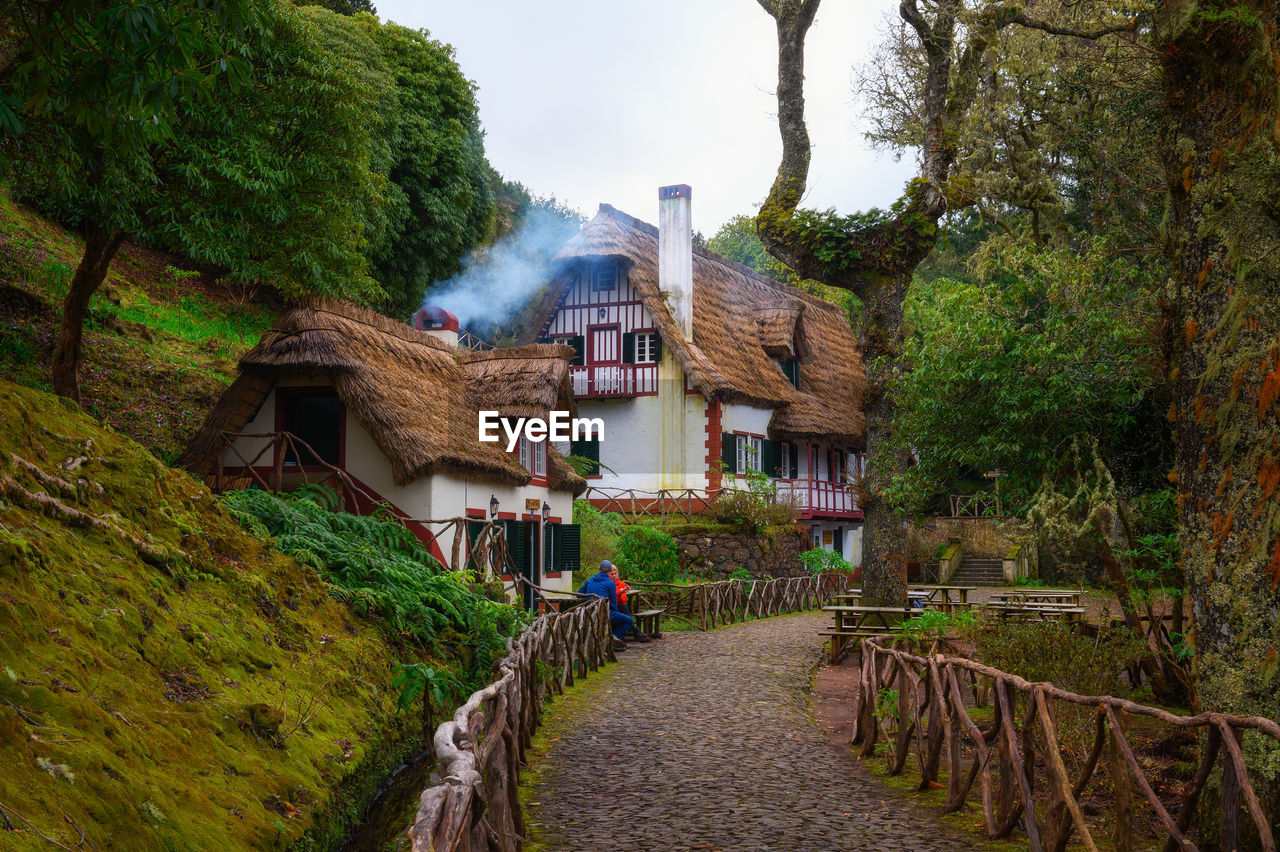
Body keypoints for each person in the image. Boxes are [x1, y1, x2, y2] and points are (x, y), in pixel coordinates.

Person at [577, 560, 643, 650]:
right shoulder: (610, 583)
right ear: (608, 572)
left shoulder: (589, 581)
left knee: (620, 615)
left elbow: (578, 594)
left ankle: (612, 637)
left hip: (590, 613)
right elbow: (613, 602)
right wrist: (614, 612)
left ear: (599, 569)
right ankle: (614, 637)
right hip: (605, 612)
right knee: (629, 621)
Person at [609, 564, 654, 642]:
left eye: (615, 573)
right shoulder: (609, 584)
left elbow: (623, 600)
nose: (614, 576)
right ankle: (636, 632)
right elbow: (613, 596)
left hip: (619, 605)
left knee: (624, 609)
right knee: (624, 611)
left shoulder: (621, 584)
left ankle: (634, 632)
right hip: (611, 606)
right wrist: (620, 592)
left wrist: (620, 593)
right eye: (612, 574)